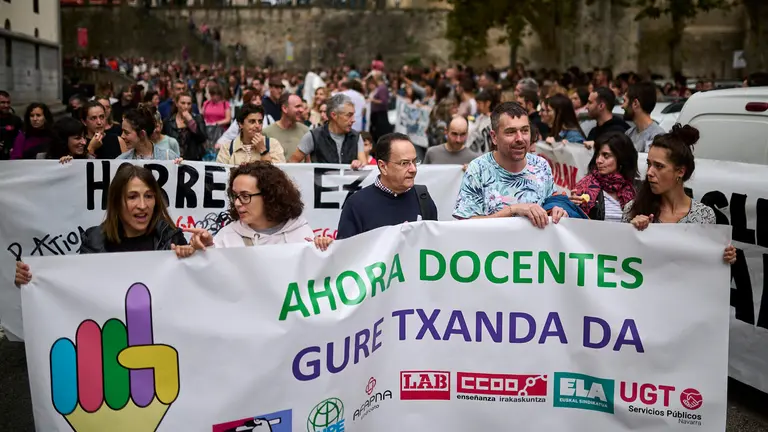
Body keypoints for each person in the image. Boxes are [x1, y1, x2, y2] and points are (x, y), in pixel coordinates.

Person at [15, 164, 190, 285]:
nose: (143, 205)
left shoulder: (171, 238)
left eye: (149, 196)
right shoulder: (94, 242)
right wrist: (32, 279)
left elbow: (192, 290)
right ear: (116, 202)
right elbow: (70, 290)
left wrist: (195, 256)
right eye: (132, 197)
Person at [624, 124, 736, 264]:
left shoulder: (704, 216)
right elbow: (619, 260)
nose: (650, 172)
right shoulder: (632, 209)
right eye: (649, 164)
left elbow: (705, 266)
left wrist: (724, 257)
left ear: (681, 171)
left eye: (659, 166)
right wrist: (630, 232)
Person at [453, 102, 567, 228]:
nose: (519, 138)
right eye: (510, 132)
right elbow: (464, 225)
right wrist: (513, 210)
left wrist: (557, 211)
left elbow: (551, 203)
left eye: (524, 130)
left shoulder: (541, 166)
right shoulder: (478, 169)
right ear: (494, 137)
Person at [180, 162, 332, 252]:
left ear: (269, 196)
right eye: (235, 196)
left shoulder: (300, 232)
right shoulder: (227, 237)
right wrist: (203, 250)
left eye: (245, 196)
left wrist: (325, 249)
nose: (238, 203)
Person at [336, 133, 438, 240]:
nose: (413, 169)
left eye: (414, 161)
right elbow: (345, 251)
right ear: (383, 166)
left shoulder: (423, 198)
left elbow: (433, 245)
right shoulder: (356, 205)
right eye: (404, 163)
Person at [569, 132, 637, 221]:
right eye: (598, 155)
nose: (599, 160)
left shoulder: (632, 192)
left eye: (606, 156)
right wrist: (572, 207)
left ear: (621, 158)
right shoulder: (584, 186)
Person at [289, 94, 367, 166]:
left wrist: (359, 164)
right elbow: (291, 164)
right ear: (334, 115)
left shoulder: (356, 137)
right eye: (349, 115)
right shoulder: (314, 136)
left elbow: (364, 165)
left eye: (353, 115)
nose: (353, 120)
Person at [216, 104, 285, 165]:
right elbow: (221, 176)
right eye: (252, 121)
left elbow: (278, 175)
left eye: (260, 121)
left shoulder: (272, 144)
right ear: (240, 124)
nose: (258, 125)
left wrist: (263, 151)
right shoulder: (227, 148)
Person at [262, 93, 309, 160]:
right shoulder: (267, 132)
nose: (302, 110)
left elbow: (308, 163)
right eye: (297, 106)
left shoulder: (305, 131)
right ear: (284, 108)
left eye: (301, 107)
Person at [163, 92, 207, 161]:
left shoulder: (198, 118)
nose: (186, 106)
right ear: (176, 103)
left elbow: (202, 139)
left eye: (189, 104)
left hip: (193, 160)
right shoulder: (168, 121)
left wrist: (191, 121)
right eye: (183, 103)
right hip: (173, 161)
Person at [623, 82, 666, 153]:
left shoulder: (657, 136)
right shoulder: (629, 134)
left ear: (635, 104)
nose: (622, 106)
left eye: (624, 101)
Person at [0, 90, 23, 160]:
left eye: (8, 103)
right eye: (3, 103)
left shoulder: (16, 120)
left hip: (11, 158)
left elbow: (23, 136)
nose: (6, 105)